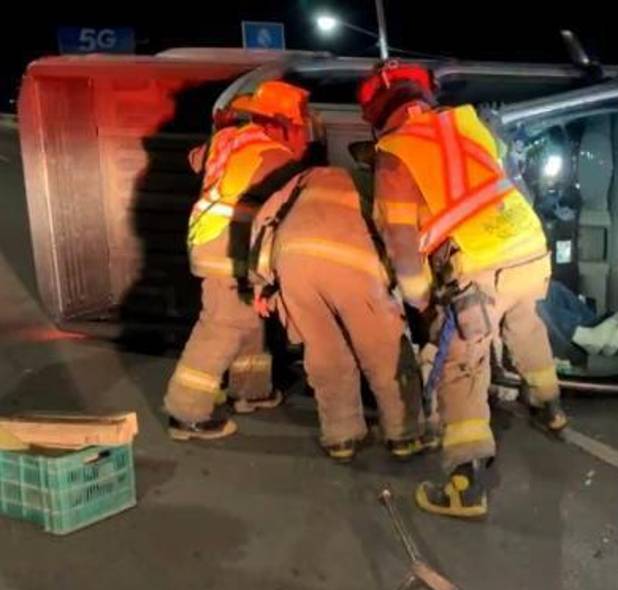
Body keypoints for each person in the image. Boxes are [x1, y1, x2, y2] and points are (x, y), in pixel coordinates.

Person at [358, 62, 567, 518]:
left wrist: (418, 296)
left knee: (462, 366)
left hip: (480, 265)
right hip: (528, 246)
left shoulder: (394, 154)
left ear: (378, 115)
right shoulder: (465, 122)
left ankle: (464, 484)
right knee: (525, 323)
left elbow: (400, 239)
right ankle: (549, 406)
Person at [248, 161, 436, 463]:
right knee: (383, 350)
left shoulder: (306, 178)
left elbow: (264, 219)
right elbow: (401, 235)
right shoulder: (381, 184)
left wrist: (259, 281)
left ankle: (341, 437)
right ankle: (405, 435)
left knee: (325, 352)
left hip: (294, 261)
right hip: (353, 262)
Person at [163, 81, 310, 441]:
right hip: (228, 248)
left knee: (247, 317)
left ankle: (250, 392)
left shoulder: (229, 140)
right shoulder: (274, 156)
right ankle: (186, 413)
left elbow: (194, 159)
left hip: (212, 240)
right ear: (281, 124)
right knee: (221, 327)